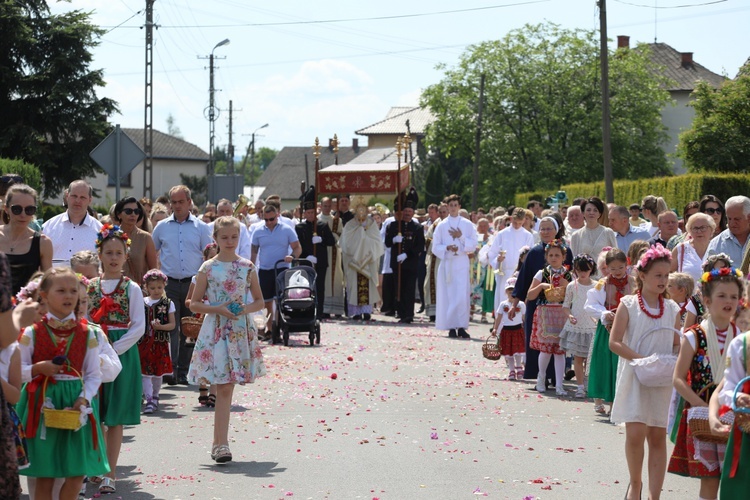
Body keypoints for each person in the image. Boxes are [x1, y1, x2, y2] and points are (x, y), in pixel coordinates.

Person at [17, 267, 109, 498]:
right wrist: (38, 369)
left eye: (72, 291)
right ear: (44, 296)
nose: (68, 296)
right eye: (61, 290)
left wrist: (83, 397)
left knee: (77, 473)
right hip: (42, 405)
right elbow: (16, 372)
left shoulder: (87, 333)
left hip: (74, 405)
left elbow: (93, 374)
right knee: (45, 475)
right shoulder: (32, 333)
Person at [188, 216, 267, 463]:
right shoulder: (207, 268)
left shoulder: (247, 266)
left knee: (227, 386)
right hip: (216, 328)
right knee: (222, 385)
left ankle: (220, 443)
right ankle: (220, 443)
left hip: (239, 329)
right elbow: (194, 303)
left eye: (234, 236)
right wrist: (219, 308)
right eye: (225, 237)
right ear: (216, 239)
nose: (230, 241)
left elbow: (259, 301)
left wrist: (242, 309)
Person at [608, 244, 681, 500]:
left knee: (658, 436)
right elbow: (614, 342)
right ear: (642, 275)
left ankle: (654, 494)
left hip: (660, 379)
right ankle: (636, 484)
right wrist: (642, 360)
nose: (663, 280)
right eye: (658, 275)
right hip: (635, 375)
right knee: (636, 433)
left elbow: (675, 344)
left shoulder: (672, 309)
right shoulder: (628, 304)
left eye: (667, 275)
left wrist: (677, 355)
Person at [668, 267, 742, 499]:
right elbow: (678, 379)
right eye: (722, 296)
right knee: (709, 480)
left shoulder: (742, 336)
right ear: (707, 301)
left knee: (734, 479)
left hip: (735, 415)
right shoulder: (694, 335)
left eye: (733, 296)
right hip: (701, 414)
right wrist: (701, 405)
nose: (728, 301)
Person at [87, 225, 146, 494]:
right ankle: (96, 467)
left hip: (121, 356)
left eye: (118, 253)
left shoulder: (132, 287)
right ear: (100, 254)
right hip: (93, 354)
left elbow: (138, 327)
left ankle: (111, 473)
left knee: (115, 418)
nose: (113, 258)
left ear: (125, 256)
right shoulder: (90, 286)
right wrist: (94, 348)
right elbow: (85, 318)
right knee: (94, 414)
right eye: (108, 252)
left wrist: (113, 349)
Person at [151, 185, 212, 385]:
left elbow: (209, 255)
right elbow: (152, 252)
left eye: (181, 202)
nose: (177, 206)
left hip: (193, 284)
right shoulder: (161, 227)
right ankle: (171, 369)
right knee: (170, 328)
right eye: (174, 202)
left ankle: (185, 370)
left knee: (190, 329)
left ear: (189, 202)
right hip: (168, 284)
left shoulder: (201, 227)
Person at [509, 215, 573, 383]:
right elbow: (523, 281)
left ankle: (557, 378)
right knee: (540, 342)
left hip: (559, 306)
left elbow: (573, 280)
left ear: (556, 230)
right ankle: (540, 376)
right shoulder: (534, 252)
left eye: (549, 228)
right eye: (542, 228)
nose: (545, 231)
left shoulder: (566, 250)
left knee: (557, 344)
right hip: (538, 306)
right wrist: (514, 304)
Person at [586, 248, 635, 415]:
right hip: (607, 328)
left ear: (626, 264)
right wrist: (604, 313)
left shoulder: (635, 282)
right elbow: (590, 304)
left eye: (620, 268)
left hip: (628, 327)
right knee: (604, 364)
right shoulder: (603, 284)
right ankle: (600, 400)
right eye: (613, 269)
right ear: (607, 268)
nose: (617, 272)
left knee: (620, 365)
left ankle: (616, 404)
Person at [527, 239, 572, 396]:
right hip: (545, 313)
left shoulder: (568, 275)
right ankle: (541, 378)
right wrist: (540, 286)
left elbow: (574, 296)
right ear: (546, 256)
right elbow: (530, 295)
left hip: (561, 314)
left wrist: (567, 286)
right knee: (546, 350)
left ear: (563, 257)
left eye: (557, 255)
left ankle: (560, 384)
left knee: (560, 351)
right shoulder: (542, 273)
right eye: (551, 255)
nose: (554, 258)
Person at [251, 204, 302, 340]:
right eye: (266, 219)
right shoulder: (258, 231)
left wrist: (293, 256)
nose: (269, 223)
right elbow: (254, 251)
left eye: (271, 219)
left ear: (277, 216)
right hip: (265, 269)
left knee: (280, 300)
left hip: (282, 268)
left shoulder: (286, 230)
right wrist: (249, 267)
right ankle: (269, 329)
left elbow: (297, 247)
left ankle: (279, 326)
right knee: (266, 301)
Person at [432, 194, 478, 339]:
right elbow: (435, 246)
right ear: (447, 207)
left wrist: (461, 236)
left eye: (455, 205)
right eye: (450, 205)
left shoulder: (467, 224)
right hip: (448, 263)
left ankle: (461, 326)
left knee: (461, 296)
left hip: (461, 263)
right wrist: (446, 248)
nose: (452, 208)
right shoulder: (442, 225)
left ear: (459, 206)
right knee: (449, 295)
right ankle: (451, 326)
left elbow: (474, 243)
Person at [0, 184, 52, 294]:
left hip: (26, 308)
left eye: (29, 210)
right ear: (6, 209)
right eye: (17, 209)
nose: (23, 214)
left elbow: (48, 284)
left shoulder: (43, 242)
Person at [559, 254, 599, 398]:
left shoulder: (597, 286)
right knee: (578, 358)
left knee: (590, 358)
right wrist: (569, 315)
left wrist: (597, 318)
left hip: (591, 326)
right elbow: (566, 306)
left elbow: (599, 305)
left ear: (591, 269)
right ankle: (580, 386)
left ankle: (588, 384)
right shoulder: (572, 286)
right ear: (575, 270)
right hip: (576, 326)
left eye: (586, 270)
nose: (583, 273)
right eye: (580, 270)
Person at [339, 196, 384, 321]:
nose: (361, 213)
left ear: (366, 211)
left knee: (368, 287)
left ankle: (367, 311)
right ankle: (356, 312)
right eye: (359, 210)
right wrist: (360, 234)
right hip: (354, 261)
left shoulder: (372, 224)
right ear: (355, 211)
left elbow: (377, 242)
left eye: (363, 210)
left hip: (368, 261)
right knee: (354, 286)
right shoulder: (350, 225)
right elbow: (345, 243)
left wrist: (364, 237)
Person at [384, 188, 425, 324]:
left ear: (413, 213)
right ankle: (400, 312)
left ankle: (409, 314)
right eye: (405, 211)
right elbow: (387, 243)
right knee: (399, 288)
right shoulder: (393, 226)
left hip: (410, 263)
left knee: (409, 289)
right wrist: (395, 239)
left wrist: (407, 254)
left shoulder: (417, 228)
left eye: (410, 212)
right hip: (397, 263)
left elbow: (420, 246)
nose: (407, 214)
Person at [186, 243, 219, 405]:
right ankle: (203, 388)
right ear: (205, 259)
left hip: (218, 319)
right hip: (202, 319)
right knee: (202, 354)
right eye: (210, 256)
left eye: (216, 256)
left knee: (216, 356)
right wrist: (200, 303)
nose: (213, 259)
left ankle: (214, 391)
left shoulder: (222, 276)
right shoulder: (197, 277)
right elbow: (189, 300)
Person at [295, 186, 336, 320]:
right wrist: (306, 257)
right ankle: (306, 310)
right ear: (305, 214)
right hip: (306, 261)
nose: (311, 215)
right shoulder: (299, 227)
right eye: (308, 213)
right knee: (306, 287)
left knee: (319, 287)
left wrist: (321, 239)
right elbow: (298, 245)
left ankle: (319, 312)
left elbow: (332, 241)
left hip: (321, 262)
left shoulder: (322, 226)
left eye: (313, 213)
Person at [138, 269, 175, 415]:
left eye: (159, 287)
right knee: (145, 373)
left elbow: (172, 324)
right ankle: (149, 400)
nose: (156, 291)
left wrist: (161, 327)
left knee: (157, 373)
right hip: (144, 342)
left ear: (164, 286)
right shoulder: (141, 302)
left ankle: (155, 395)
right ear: (146, 288)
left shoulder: (168, 303)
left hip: (160, 343)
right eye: (152, 288)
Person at [42, 180, 102, 268]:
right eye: (74, 196)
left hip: (88, 281)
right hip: (55, 280)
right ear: (67, 196)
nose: (78, 200)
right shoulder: (48, 227)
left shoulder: (100, 231)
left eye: (82, 197)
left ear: (90, 200)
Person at [488, 208, 534, 312]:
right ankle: (501, 326)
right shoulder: (502, 234)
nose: (517, 225)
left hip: (520, 273)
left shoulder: (528, 235)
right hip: (504, 272)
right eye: (515, 222)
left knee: (518, 304)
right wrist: (497, 259)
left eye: (519, 223)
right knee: (503, 301)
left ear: (523, 221)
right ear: (511, 219)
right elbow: (492, 253)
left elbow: (530, 254)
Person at [113, 196, 157, 286]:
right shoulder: (110, 236)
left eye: (136, 212)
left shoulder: (146, 237)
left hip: (139, 291)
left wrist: (147, 291)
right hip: (114, 289)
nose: (133, 214)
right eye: (128, 211)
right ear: (119, 214)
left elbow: (153, 270)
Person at [491, 277, 526, 380]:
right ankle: (511, 370)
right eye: (509, 291)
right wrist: (495, 329)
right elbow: (499, 318)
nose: (511, 293)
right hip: (506, 330)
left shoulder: (521, 304)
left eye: (513, 291)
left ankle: (519, 368)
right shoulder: (503, 304)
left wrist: (526, 329)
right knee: (509, 352)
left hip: (518, 330)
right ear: (506, 291)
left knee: (518, 351)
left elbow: (524, 318)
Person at [317, 196, 345, 318]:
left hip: (334, 251)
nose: (327, 208)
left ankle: (336, 308)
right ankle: (323, 308)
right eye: (325, 206)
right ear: (321, 206)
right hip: (321, 252)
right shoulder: (317, 220)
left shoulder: (337, 221)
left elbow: (341, 235)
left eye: (329, 206)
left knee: (336, 278)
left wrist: (330, 236)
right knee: (323, 280)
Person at [672, 212, 715, 286]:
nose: (699, 231)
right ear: (689, 231)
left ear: (711, 229)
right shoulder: (680, 249)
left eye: (703, 228)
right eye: (695, 228)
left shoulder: (717, 248)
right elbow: (669, 275)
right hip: (686, 296)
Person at [570, 197, 617, 261]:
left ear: (599, 214)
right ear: (583, 213)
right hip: (584, 270)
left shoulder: (608, 232)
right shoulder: (576, 235)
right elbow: (574, 259)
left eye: (595, 210)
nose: (591, 213)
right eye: (588, 210)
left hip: (604, 270)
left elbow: (615, 256)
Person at [423, 203, 448, 321]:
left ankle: (446, 312)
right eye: (441, 212)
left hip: (448, 259)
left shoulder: (452, 223)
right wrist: (438, 244)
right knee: (432, 284)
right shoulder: (435, 224)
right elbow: (428, 240)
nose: (443, 214)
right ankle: (433, 313)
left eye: (445, 212)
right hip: (435, 259)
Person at [712, 195, 750, 270]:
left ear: (749, 218)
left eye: (737, 219)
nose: (732, 223)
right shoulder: (717, 244)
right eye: (729, 218)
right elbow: (708, 273)